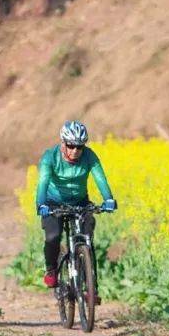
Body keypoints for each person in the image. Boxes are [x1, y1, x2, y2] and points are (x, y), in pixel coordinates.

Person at [35, 121, 116, 288]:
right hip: (53, 202)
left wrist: (108, 199)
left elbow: (100, 178)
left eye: (80, 147)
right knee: (53, 236)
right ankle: (51, 270)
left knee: (88, 232)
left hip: (80, 201)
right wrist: (41, 204)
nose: (75, 151)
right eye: (71, 146)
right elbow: (42, 182)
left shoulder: (89, 156)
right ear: (62, 143)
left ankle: (90, 281)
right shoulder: (50, 157)